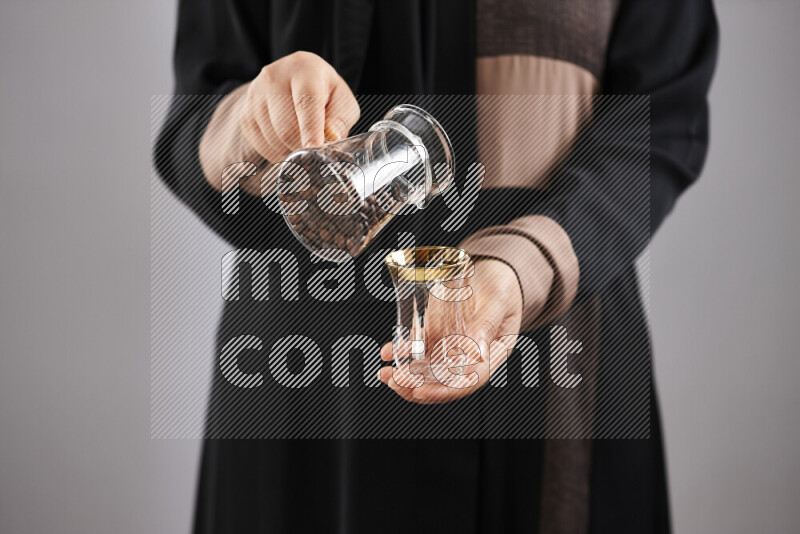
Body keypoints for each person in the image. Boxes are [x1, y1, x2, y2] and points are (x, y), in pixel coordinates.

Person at [154, 0, 718, 531]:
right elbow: (191, 123)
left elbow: (662, 119)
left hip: (557, 358)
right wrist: (251, 120)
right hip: (307, 390)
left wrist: (521, 265)